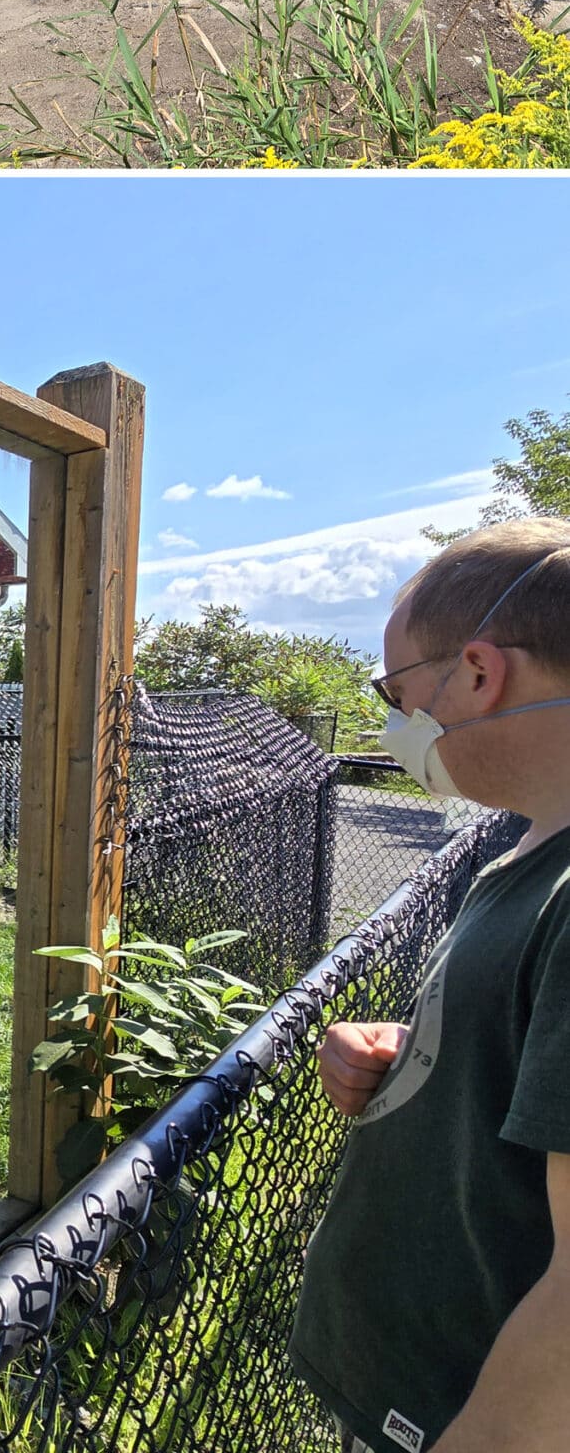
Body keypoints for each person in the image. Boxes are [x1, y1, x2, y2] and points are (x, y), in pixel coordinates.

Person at [289, 519, 570, 1452]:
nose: (397, 723)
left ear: (479, 674)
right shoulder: (527, 844)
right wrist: (421, 1061)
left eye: (398, 692)